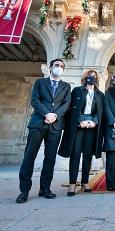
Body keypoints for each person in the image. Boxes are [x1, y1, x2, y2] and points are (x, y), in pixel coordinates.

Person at [16, 59, 71, 204]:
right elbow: (35, 100)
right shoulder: (40, 82)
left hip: (55, 126)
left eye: (62, 66)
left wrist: (55, 116)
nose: (59, 68)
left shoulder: (66, 86)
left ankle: (45, 188)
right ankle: (24, 190)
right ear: (50, 68)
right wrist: (46, 114)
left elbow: (66, 103)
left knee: (50, 158)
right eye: (57, 65)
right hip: (38, 123)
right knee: (29, 156)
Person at [58, 70, 105, 196]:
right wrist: (81, 120)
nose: (92, 78)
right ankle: (72, 183)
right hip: (79, 125)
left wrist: (94, 121)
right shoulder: (77, 90)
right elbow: (73, 107)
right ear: (85, 78)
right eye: (90, 76)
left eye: (94, 77)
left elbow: (100, 111)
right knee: (75, 154)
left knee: (88, 155)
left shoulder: (100, 94)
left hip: (92, 126)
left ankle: (85, 182)